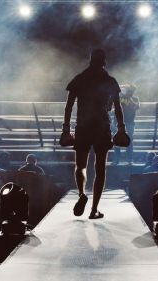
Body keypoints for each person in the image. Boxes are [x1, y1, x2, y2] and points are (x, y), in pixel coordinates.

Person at [63, 49, 127, 219]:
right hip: (101, 126)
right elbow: (118, 107)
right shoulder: (109, 81)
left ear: (90, 60)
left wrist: (65, 129)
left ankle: (82, 194)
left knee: (81, 165)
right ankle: (94, 210)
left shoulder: (80, 79)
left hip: (83, 126)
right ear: (104, 61)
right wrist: (121, 128)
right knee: (100, 168)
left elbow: (69, 106)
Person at [113, 84, 140, 165]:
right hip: (118, 122)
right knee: (117, 140)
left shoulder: (135, 99)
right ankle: (116, 160)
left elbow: (135, 107)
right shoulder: (119, 97)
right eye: (129, 90)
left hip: (130, 123)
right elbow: (111, 106)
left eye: (131, 91)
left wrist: (129, 97)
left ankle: (129, 160)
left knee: (130, 141)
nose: (130, 92)